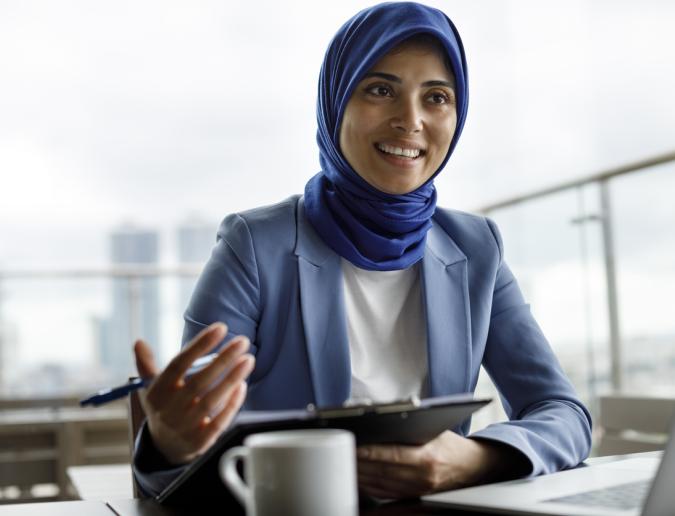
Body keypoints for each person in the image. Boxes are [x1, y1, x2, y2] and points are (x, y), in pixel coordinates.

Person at [132, 1, 592, 501]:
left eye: (436, 97)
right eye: (380, 90)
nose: (410, 121)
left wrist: (474, 458)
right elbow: (186, 451)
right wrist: (169, 445)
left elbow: (563, 412)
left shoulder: (476, 248)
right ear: (335, 103)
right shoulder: (253, 245)